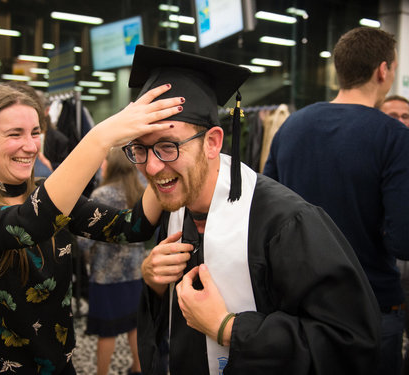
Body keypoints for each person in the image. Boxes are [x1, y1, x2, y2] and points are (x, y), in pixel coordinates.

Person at [123, 44, 380, 375]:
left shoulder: (286, 222)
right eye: (140, 149)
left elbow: (350, 341)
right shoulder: (175, 207)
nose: (153, 167)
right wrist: (154, 284)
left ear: (213, 142)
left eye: (168, 146)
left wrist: (229, 328)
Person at [0, 82, 183, 374]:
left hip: (56, 364)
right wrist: (100, 138)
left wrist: (159, 158)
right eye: (15, 134)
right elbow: (26, 224)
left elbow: (132, 227)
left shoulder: (48, 194)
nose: (30, 146)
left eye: (35, 133)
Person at [263, 27, 409, 375]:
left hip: (298, 306)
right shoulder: (395, 138)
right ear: (383, 71)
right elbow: (403, 240)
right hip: (370, 305)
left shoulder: (291, 128)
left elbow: (264, 211)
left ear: (338, 71)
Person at [78, 148, 146, 375]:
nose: (102, 165)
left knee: (107, 331)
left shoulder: (101, 196)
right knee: (133, 325)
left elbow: (84, 242)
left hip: (106, 276)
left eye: (104, 160)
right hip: (136, 273)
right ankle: (138, 368)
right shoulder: (142, 191)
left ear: (111, 164)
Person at [379, 94, 409, 374]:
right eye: (393, 116)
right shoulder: (375, 160)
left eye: (405, 117)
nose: (400, 122)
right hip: (387, 280)